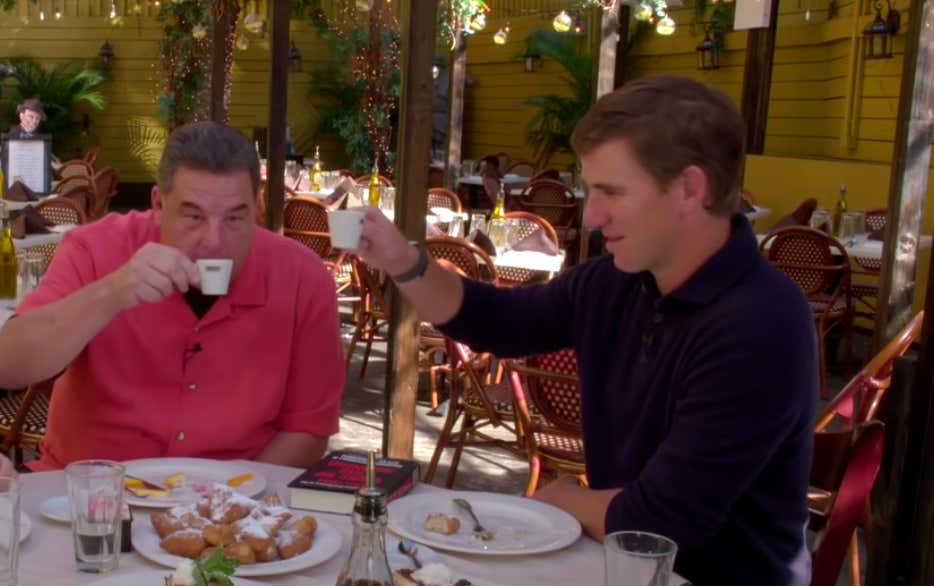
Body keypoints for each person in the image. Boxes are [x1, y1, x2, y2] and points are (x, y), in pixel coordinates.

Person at [354, 75, 817, 586]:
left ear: (690, 188)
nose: (592, 216)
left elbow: (663, 519)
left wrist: (560, 500)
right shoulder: (615, 283)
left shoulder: (761, 322)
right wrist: (402, 262)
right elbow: (500, 322)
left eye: (611, 192)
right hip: (613, 565)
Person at [0, 121, 345, 471]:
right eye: (193, 216)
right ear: (158, 205)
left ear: (255, 209)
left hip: (234, 504)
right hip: (86, 495)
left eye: (234, 219)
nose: (214, 241)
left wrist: (231, 504)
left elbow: (308, 429)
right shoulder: (94, 248)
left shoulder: (302, 277)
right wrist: (114, 292)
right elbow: (10, 364)